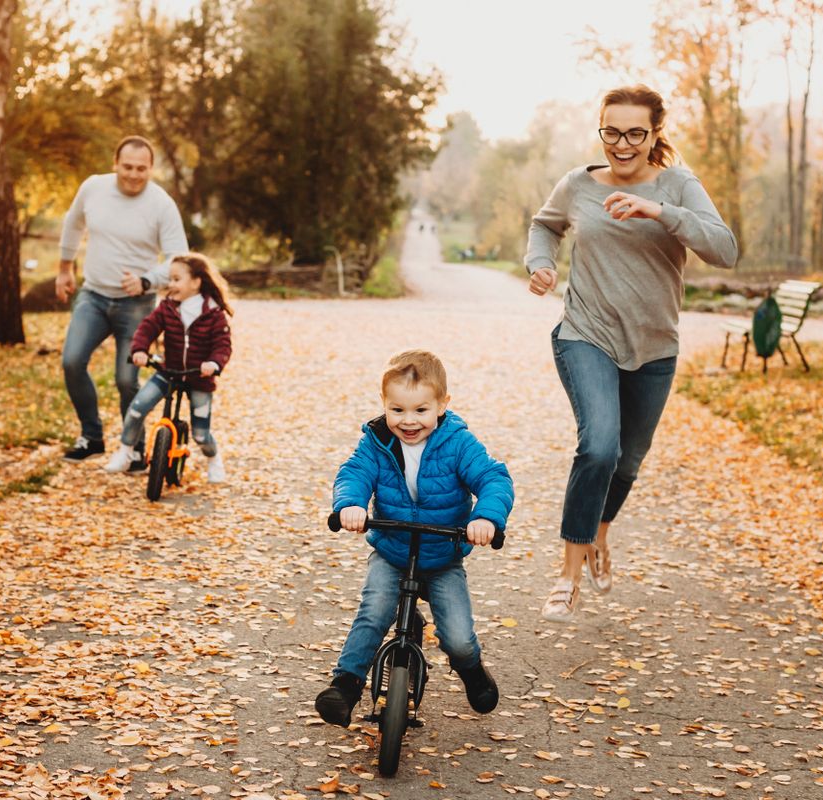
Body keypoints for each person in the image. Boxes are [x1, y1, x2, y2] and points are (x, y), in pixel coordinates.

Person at [524, 84, 738, 622]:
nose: (622, 144)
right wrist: (539, 263)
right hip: (586, 333)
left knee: (628, 460)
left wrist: (661, 211)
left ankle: (599, 534)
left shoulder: (678, 184)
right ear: (601, 130)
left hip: (654, 346)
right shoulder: (579, 183)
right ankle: (567, 576)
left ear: (654, 134)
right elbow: (544, 226)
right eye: (612, 131)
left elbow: (725, 249)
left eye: (634, 133)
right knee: (598, 447)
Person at [316, 350, 515, 727]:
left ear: (442, 405)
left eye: (421, 410)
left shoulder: (457, 443)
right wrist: (350, 505)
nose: (409, 421)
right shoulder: (376, 442)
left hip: (443, 554)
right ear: (384, 406)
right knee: (374, 612)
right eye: (398, 410)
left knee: (457, 635)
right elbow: (354, 474)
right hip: (393, 551)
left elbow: (493, 479)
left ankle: (471, 669)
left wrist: (486, 516)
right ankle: (345, 686)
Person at [56, 135, 189, 466]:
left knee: (127, 379)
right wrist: (64, 268)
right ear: (115, 163)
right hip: (94, 296)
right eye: (127, 167)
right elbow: (72, 225)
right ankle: (91, 435)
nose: (133, 174)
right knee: (72, 361)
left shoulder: (161, 204)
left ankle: (134, 449)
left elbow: (179, 258)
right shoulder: (94, 188)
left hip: (137, 305)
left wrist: (148, 281)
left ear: (151, 169)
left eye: (141, 169)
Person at [104, 253, 232, 483]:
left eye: (176, 279)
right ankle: (126, 451)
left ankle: (214, 460)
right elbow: (148, 327)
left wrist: (213, 363)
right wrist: (140, 350)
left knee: (201, 435)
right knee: (136, 408)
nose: (171, 285)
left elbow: (222, 345)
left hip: (199, 377)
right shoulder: (168, 307)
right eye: (170, 279)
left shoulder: (214, 313)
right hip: (168, 372)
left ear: (196, 282)